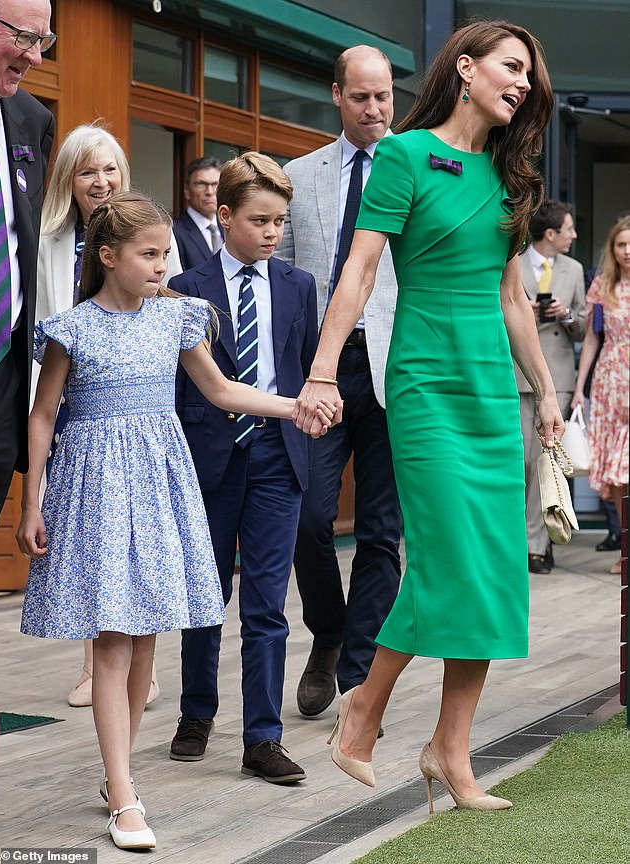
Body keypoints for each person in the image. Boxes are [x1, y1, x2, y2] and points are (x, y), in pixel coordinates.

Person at [293, 20, 564, 812]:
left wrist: (545, 391)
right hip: (423, 382)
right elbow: (358, 272)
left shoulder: (509, 179)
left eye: (530, 77)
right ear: (467, 66)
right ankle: (364, 710)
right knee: (447, 562)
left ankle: (452, 750)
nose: (521, 83)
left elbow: (513, 298)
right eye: (512, 68)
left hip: (487, 388)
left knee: (489, 569)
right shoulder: (406, 156)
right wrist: (320, 370)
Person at [16, 191, 333, 850]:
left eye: (167, 252)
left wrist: (294, 407)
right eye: (149, 253)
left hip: (159, 485)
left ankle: (119, 772)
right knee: (110, 638)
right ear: (108, 256)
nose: (164, 264)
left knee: (144, 642)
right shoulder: (71, 328)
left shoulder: (180, 319)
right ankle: (124, 794)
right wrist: (31, 502)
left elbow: (221, 392)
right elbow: (43, 414)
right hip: (95, 488)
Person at [168, 152, 319, 783]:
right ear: (224, 215)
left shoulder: (298, 287)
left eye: (280, 221)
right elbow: (181, 386)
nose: (271, 232)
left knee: (266, 604)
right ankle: (197, 712)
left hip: (278, 460)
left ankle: (263, 737)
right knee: (206, 596)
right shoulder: (185, 290)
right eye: (259, 219)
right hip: (207, 458)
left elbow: (309, 369)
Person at [35, 122, 182, 708]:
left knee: (128, 533)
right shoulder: (44, 237)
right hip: (60, 392)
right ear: (68, 181)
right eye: (87, 170)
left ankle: (126, 665)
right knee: (81, 530)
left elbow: (164, 303)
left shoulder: (142, 240)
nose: (100, 180)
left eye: (110, 169)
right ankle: (94, 663)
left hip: (131, 401)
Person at [280, 45, 402, 719]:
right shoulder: (301, 175)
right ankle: (328, 634)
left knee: (383, 531)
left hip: (392, 370)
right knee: (309, 519)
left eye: (383, 96)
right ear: (337, 95)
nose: (374, 109)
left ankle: (357, 680)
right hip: (320, 371)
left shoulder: (416, 170)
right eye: (360, 97)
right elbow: (292, 281)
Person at [0, 0, 55, 521]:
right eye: (24, 37)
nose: (35, 57)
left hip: (3, 372)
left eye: (43, 41)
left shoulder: (33, 120)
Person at [516, 200, 586, 574]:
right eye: (569, 229)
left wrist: (567, 314)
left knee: (546, 463)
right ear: (550, 233)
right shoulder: (512, 260)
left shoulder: (574, 271)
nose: (574, 236)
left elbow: (585, 326)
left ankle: (538, 546)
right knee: (521, 463)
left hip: (556, 379)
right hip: (514, 376)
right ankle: (516, 541)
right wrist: (523, 308)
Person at [572, 215, 630, 575]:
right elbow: (592, 338)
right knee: (618, 480)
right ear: (612, 249)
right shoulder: (602, 286)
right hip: (610, 383)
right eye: (621, 244)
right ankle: (626, 552)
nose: (627, 251)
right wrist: (580, 388)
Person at [173, 156, 222, 270]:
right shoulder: (175, 232)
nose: (210, 192)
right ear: (187, 191)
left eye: (216, 185)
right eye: (201, 184)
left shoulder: (229, 228)